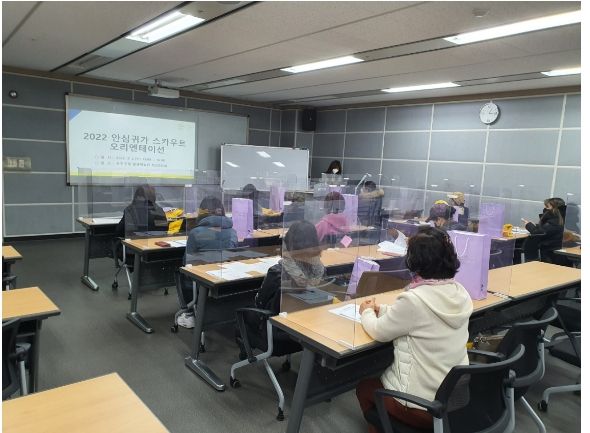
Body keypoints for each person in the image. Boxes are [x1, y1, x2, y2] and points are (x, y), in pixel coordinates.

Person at [356, 227, 472, 432]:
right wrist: (383, 309)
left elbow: (379, 331)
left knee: (365, 388)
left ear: (414, 261)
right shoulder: (459, 292)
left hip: (420, 406)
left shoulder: (414, 299)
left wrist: (366, 311)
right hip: (454, 401)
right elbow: (417, 318)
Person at [177, 196, 238, 328]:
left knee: (180, 272)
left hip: (203, 281)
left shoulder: (195, 233)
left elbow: (187, 263)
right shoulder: (233, 232)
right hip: (226, 279)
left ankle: (190, 313)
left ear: (202, 211)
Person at [521, 197, 565, 263]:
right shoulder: (561, 219)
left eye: (547, 207)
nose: (545, 209)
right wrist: (536, 226)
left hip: (549, 254)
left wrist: (528, 225)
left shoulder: (555, 221)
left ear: (555, 208)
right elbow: (547, 229)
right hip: (553, 251)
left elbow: (539, 233)